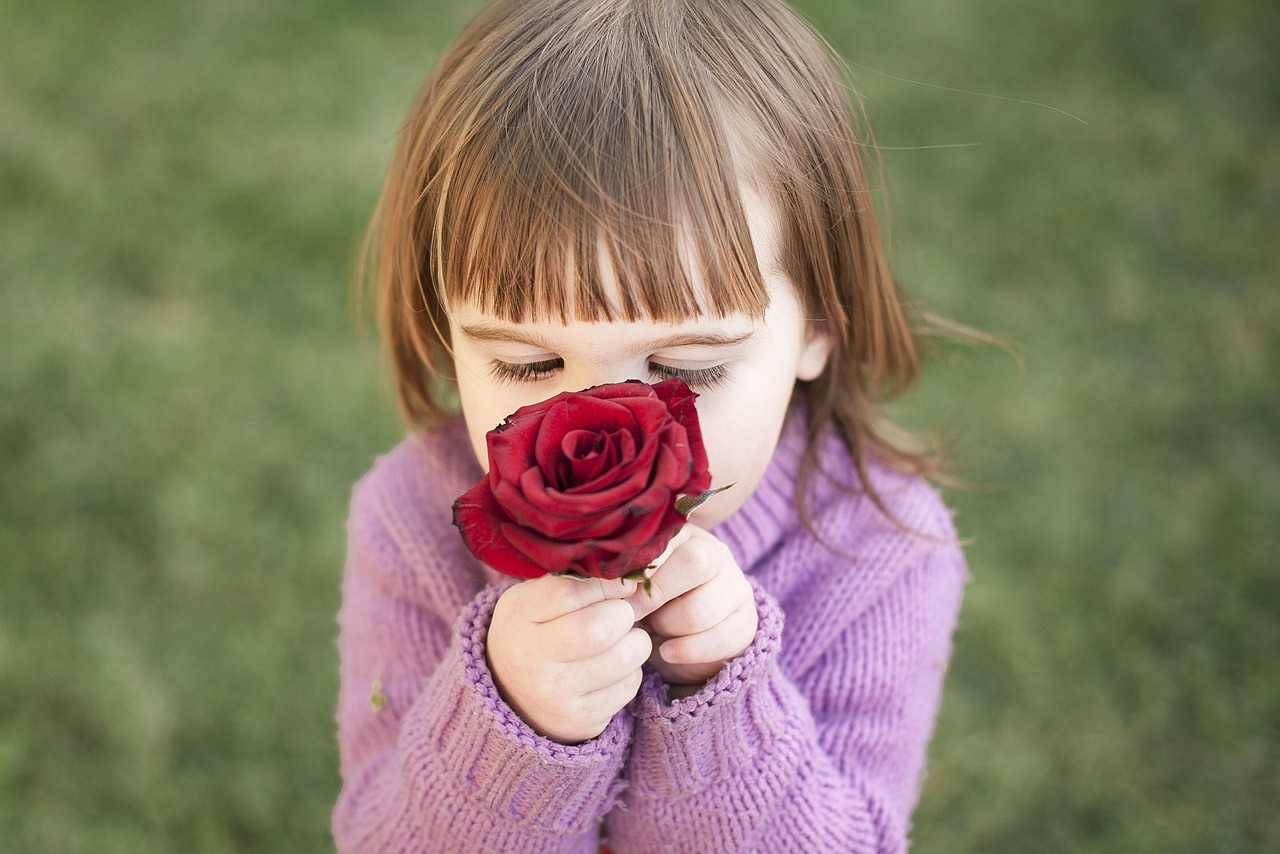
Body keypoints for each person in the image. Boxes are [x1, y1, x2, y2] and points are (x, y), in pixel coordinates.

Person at [333, 0, 969, 850]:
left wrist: (717, 701)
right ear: (444, 331)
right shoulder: (413, 520)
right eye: (527, 364)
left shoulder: (881, 550)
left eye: (685, 368)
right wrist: (511, 717)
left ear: (821, 321)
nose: (596, 418)